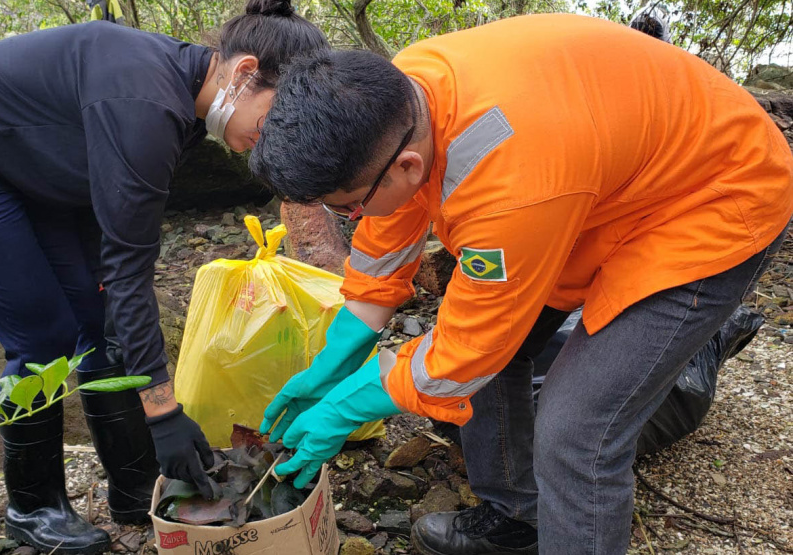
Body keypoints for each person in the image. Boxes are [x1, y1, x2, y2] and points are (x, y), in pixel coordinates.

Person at [252, 13, 793, 555]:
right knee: (498, 341)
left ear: (409, 167)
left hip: (714, 195)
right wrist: (334, 361)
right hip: (599, 185)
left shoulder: (509, 188)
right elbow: (386, 236)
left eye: (347, 207)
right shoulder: (399, 96)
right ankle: (518, 518)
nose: (348, 218)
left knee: (575, 432)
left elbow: (468, 352)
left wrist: (346, 408)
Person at [0, 1, 328, 552]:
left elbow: (117, 262)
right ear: (243, 72)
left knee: (98, 320)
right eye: (276, 117)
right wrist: (162, 410)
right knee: (40, 336)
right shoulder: (145, 100)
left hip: (33, 166)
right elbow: (128, 267)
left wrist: (148, 389)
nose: (274, 138)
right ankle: (32, 506)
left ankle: (133, 483)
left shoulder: (187, 105)